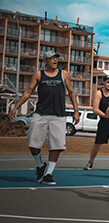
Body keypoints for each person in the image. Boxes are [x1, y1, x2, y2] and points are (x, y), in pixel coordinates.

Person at [8, 51, 79, 185]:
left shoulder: (64, 74)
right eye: (51, 58)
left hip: (58, 115)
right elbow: (28, 91)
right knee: (33, 145)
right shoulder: (39, 74)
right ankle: (40, 165)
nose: (54, 60)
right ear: (45, 61)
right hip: (41, 114)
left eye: (56, 58)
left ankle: (48, 174)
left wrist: (76, 111)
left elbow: (71, 92)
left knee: (56, 146)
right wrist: (15, 107)